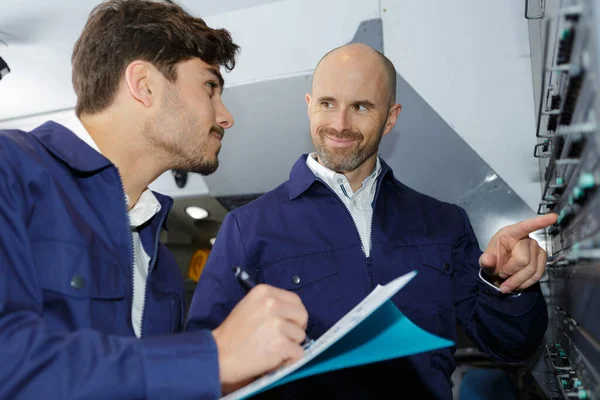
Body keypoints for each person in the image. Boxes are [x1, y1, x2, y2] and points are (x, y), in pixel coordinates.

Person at [185, 43, 558, 399]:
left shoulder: (442, 223)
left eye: (361, 106)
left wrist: (507, 284)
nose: (340, 123)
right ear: (309, 106)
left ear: (390, 118)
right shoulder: (248, 228)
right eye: (328, 104)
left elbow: (512, 345)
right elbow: (204, 364)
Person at [0, 1, 309, 398]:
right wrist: (214, 357)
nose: (226, 115)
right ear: (144, 84)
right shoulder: (11, 169)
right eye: (210, 87)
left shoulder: (160, 264)